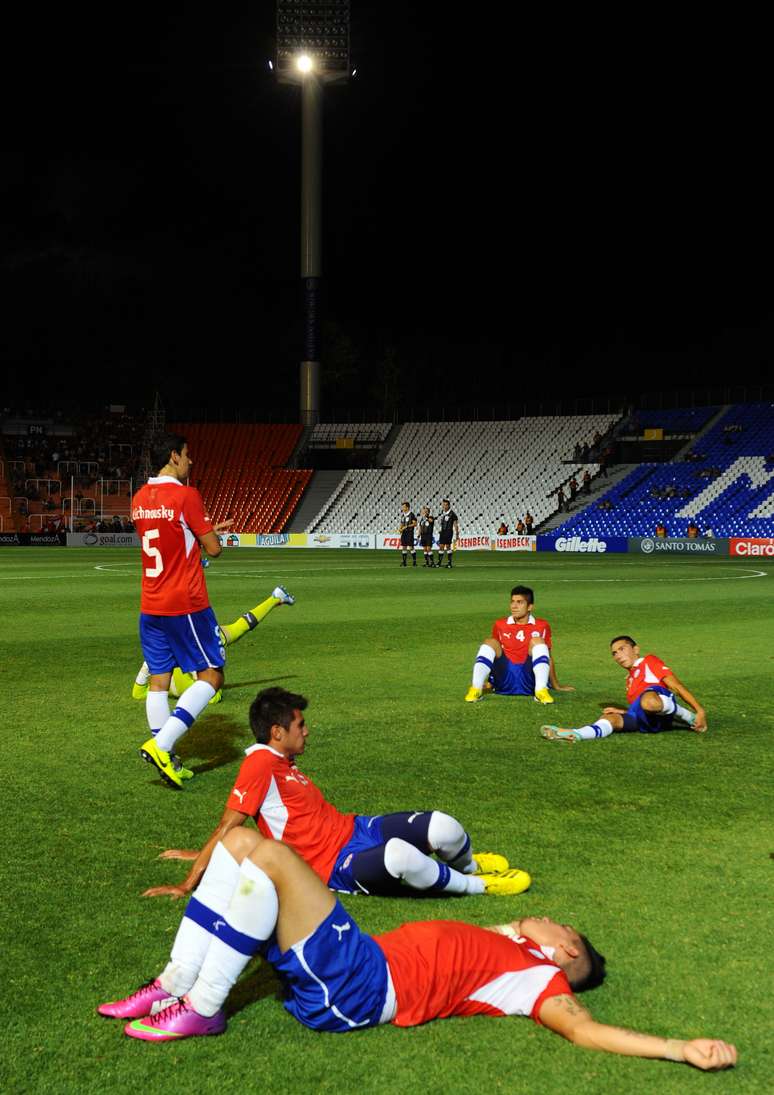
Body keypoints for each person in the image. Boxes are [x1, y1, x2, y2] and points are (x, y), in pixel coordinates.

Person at [100, 831, 737, 1073]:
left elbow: (586, 1032)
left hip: (360, 988)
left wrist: (678, 1048)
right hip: (357, 965)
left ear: (567, 948)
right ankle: (175, 981)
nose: (539, 917)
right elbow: (517, 918)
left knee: (267, 855)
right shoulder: (510, 942)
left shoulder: (538, 983)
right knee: (240, 842)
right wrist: (517, 919)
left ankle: (204, 1005)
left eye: (554, 922)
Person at [143, 687, 530, 901]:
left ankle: (470, 866)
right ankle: (478, 886)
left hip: (357, 829)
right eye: (300, 725)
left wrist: (200, 852)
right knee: (400, 856)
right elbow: (230, 825)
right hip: (331, 866)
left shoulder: (283, 764)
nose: (306, 731)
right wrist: (188, 882)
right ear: (277, 733)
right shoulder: (259, 764)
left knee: (444, 827)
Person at [131, 433, 230, 790]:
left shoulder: (139, 498)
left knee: (159, 680)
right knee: (212, 676)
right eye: (187, 455)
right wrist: (210, 536)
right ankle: (161, 745)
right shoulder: (186, 495)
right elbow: (214, 551)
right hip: (185, 603)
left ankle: (168, 758)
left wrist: (200, 532)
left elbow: (173, 537)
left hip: (151, 603)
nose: (190, 462)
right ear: (173, 456)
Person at [131, 585, 296, 704]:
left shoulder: (163, 681)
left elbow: (137, 693)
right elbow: (214, 695)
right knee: (237, 629)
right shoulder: (191, 687)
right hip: (193, 639)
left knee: (236, 629)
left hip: (184, 651)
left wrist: (149, 664)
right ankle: (275, 598)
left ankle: (275, 598)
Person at [540, 636, 707, 743]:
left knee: (649, 698)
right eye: (614, 653)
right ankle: (576, 734)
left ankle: (690, 717)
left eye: (622, 649)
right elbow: (641, 708)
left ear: (635, 649)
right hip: (649, 720)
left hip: (657, 701)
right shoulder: (629, 682)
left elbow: (676, 685)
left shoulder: (649, 661)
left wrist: (699, 711)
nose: (618, 655)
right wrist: (623, 711)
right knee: (610, 718)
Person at [464, 585, 574, 705]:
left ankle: (541, 691)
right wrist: (490, 682)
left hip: (529, 680)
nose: (514, 606)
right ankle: (476, 688)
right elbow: (493, 656)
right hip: (505, 681)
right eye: (512, 602)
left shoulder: (542, 625)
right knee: (490, 642)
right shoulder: (500, 624)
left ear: (530, 607)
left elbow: (548, 656)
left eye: (520, 602)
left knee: (537, 641)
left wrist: (556, 685)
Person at [436, 499, 459, 568]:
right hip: (443, 532)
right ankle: (439, 562)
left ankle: (449, 563)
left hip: (449, 531)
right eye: (443, 505)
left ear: (448, 505)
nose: (444, 506)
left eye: (445, 505)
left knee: (448, 546)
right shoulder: (442, 513)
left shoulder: (452, 514)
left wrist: (457, 534)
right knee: (441, 546)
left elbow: (455, 524)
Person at [397, 502, 417, 567]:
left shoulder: (412, 515)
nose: (402, 508)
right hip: (404, 533)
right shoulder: (403, 515)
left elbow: (415, 524)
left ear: (407, 507)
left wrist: (407, 526)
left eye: (404, 507)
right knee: (404, 547)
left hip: (410, 532)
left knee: (411, 547)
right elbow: (402, 523)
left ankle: (414, 561)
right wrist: (400, 529)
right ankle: (404, 562)